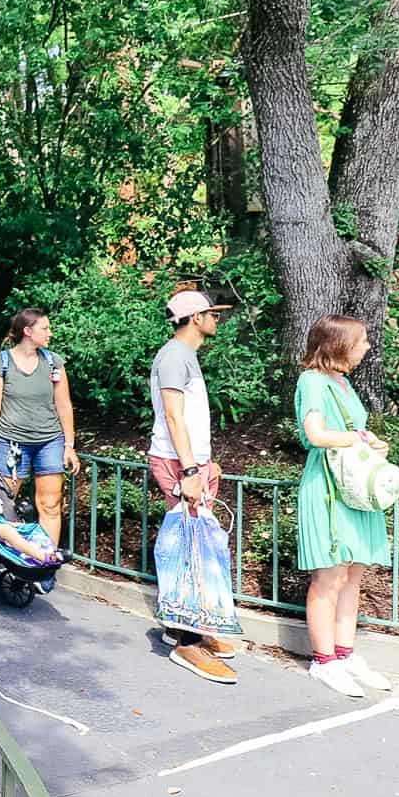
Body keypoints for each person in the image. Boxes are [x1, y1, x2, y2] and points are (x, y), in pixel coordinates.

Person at [295, 315, 395, 699]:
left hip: (352, 487)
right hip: (329, 488)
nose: (367, 347)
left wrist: (371, 443)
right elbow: (315, 434)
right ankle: (324, 661)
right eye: (362, 341)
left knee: (352, 574)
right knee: (329, 576)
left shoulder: (343, 382)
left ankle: (344, 653)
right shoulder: (313, 381)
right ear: (338, 345)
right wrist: (358, 438)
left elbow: (352, 435)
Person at [148, 288, 238, 684]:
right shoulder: (173, 357)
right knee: (190, 550)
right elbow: (172, 415)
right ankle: (186, 643)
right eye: (213, 314)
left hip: (191, 461)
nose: (217, 320)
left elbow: (189, 417)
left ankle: (185, 627)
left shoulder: (185, 357)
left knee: (196, 544)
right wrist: (188, 471)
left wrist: (204, 460)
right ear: (196, 318)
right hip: (177, 463)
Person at [0, 308, 82, 552]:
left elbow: (64, 405)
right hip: (11, 442)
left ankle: (45, 560)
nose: (50, 333)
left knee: (50, 504)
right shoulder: (0, 362)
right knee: (4, 502)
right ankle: (11, 556)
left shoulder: (53, 361)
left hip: (49, 442)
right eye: (45, 328)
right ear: (27, 331)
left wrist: (69, 445)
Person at [0, 455, 63, 564]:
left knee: (27, 528)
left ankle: (48, 550)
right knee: (9, 532)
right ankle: (42, 556)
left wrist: (10, 523)